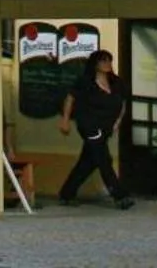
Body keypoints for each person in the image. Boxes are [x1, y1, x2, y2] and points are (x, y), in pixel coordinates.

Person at [57, 49, 133, 209]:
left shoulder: (117, 83)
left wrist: (117, 121)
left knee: (88, 161)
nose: (107, 64)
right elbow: (70, 98)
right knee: (104, 159)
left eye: (109, 60)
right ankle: (119, 195)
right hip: (89, 125)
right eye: (103, 61)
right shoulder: (85, 82)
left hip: (106, 127)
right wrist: (65, 120)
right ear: (95, 64)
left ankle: (66, 193)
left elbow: (123, 104)